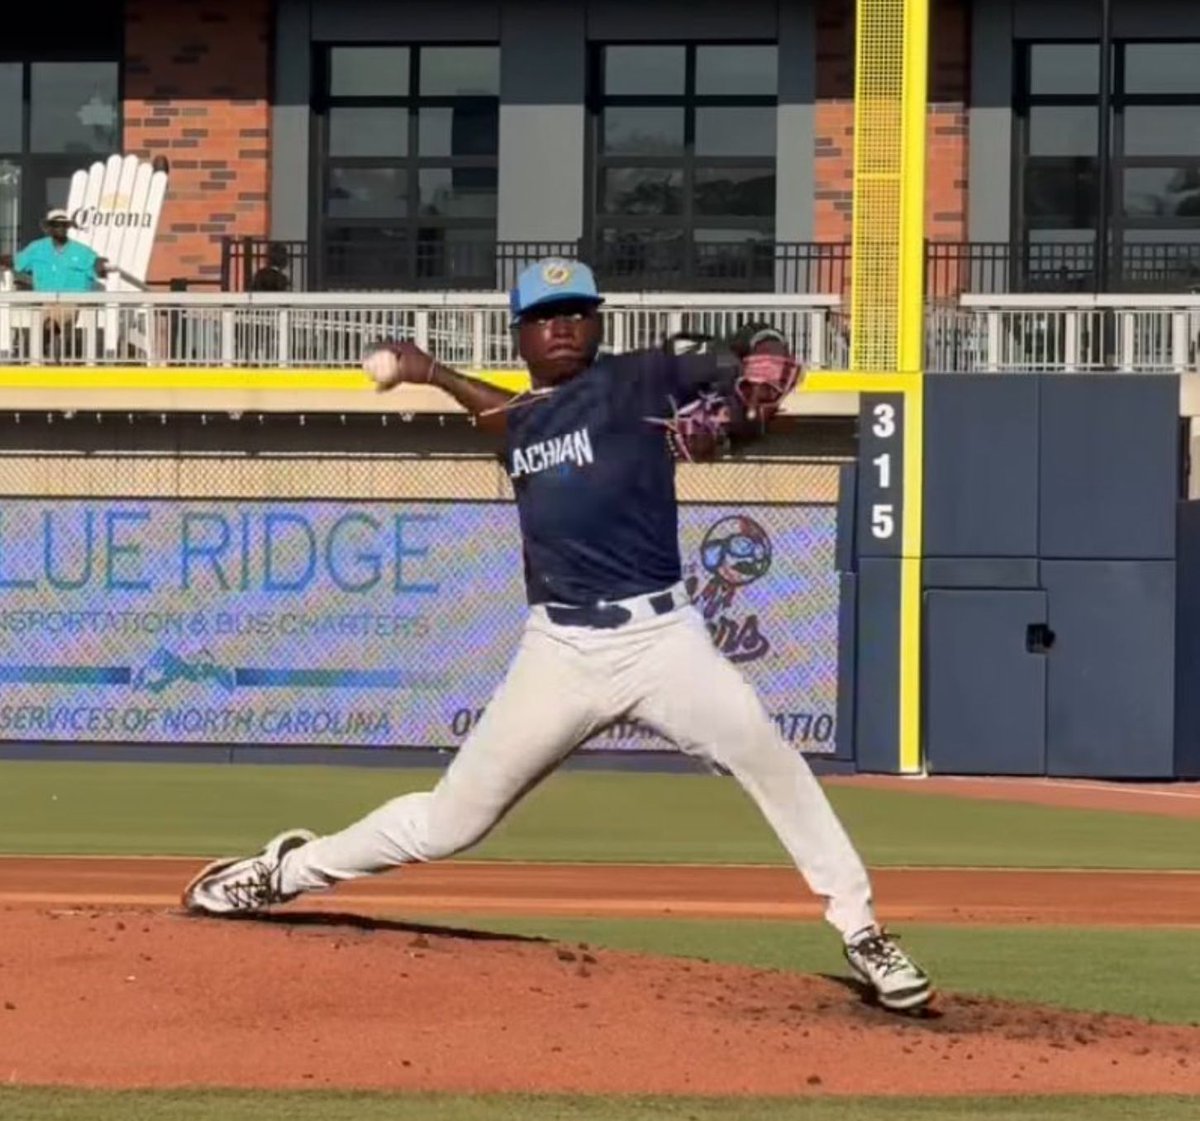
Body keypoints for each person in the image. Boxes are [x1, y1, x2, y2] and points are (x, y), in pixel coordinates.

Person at [181, 258, 934, 1014]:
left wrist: (753, 382)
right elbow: (501, 414)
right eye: (547, 315)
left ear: (598, 322)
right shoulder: (520, 425)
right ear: (521, 335)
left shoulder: (641, 377)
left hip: (663, 639)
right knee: (450, 823)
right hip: (561, 651)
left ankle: (862, 926)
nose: (564, 325)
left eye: (576, 310)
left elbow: (755, 347)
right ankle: (286, 870)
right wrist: (431, 371)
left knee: (770, 757)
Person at [0, 209, 108, 357]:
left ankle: (50, 354)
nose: (61, 228)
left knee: (56, 319)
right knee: (41, 318)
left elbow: (97, 265)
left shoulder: (82, 251)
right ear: (49, 228)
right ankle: (39, 358)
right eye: (57, 225)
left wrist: (101, 265)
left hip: (71, 300)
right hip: (43, 300)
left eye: (65, 225)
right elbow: (16, 261)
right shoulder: (36, 248)